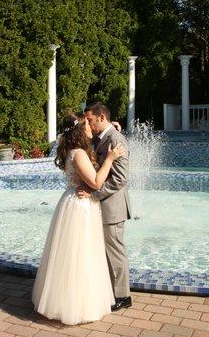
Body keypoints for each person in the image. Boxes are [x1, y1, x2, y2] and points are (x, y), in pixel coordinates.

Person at [32, 112, 127, 325]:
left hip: (72, 202)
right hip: (81, 206)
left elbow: (96, 137)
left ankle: (67, 298)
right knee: (80, 254)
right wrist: (110, 159)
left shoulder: (74, 151)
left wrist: (111, 126)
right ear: (79, 131)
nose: (90, 128)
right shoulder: (79, 154)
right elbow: (95, 181)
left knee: (71, 255)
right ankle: (77, 305)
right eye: (86, 125)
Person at [80, 102, 132, 311]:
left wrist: (94, 194)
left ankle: (123, 296)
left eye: (90, 120)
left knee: (115, 252)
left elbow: (120, 178)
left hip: (113, 207)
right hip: (103, 206)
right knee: (105, 251)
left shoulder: (116, 140)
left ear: (102, 118)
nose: (88, 124)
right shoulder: (102, 137)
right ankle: (111, 291)